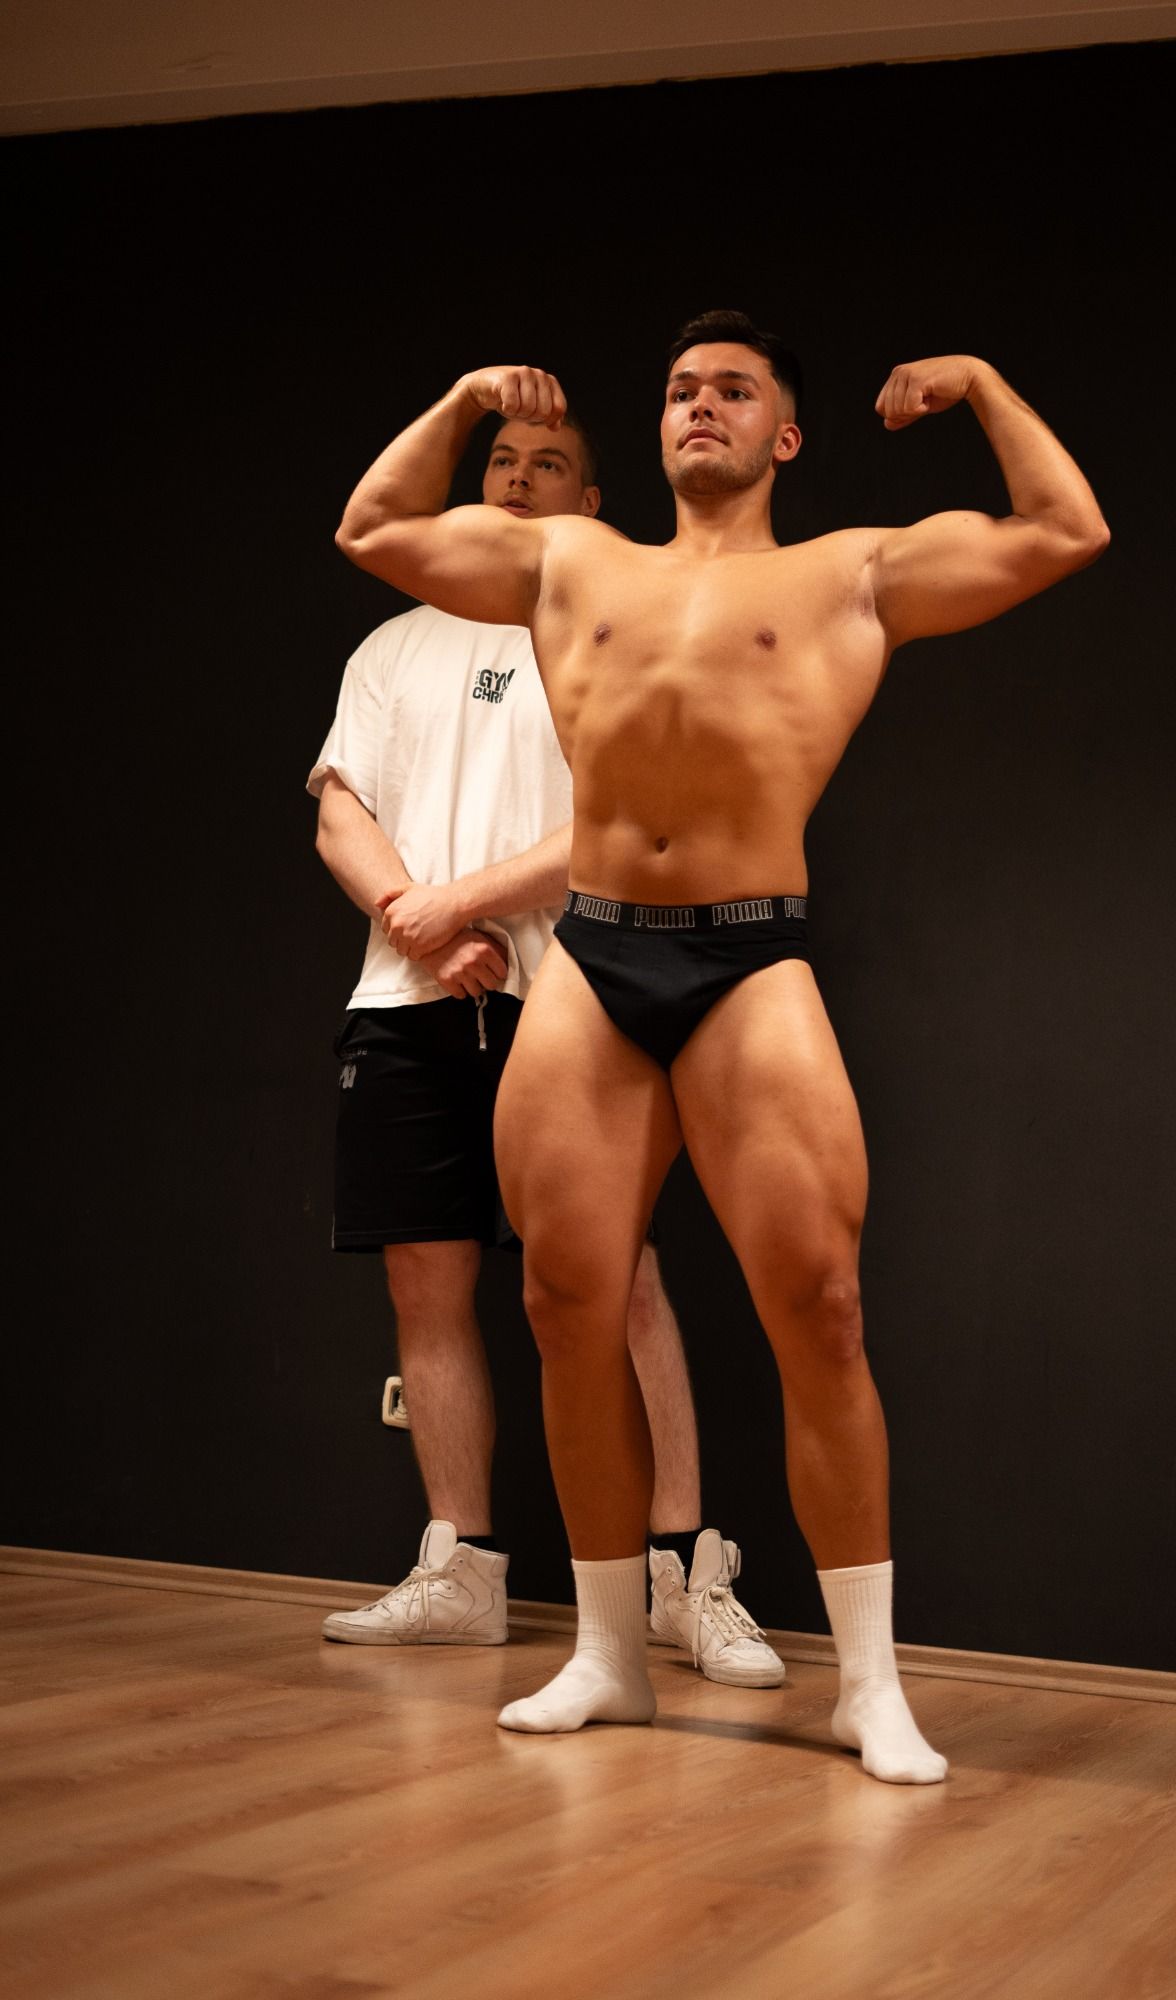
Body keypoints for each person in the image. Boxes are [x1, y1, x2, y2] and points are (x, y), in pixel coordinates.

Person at [334, 311, 1109, 1781]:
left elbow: (1065, 530)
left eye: (735, 391)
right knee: (565, 1303)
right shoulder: (572, 560)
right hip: (595, 953)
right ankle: (608, 1655)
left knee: (820, 1306)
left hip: (749, 955)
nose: (701, 405)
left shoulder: (850, 572)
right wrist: (462, 396)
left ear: (784, 434)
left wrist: (985, 384)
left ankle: (868, 1683)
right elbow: (372, 527)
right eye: (682, 388)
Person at [309, 402, 782, 1688]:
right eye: (502, 464)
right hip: (406, 998)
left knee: (618, 1278)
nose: (518, 482)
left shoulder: (615, 630)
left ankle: (683, 1573)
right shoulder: (394, 642)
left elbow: (616, 824)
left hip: (572, 993)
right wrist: (413, 921)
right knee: (426, 1281)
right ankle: (461, 1567)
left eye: (548, 466)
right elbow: (339, 812)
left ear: (590, 499)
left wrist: (454, 909)